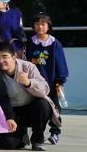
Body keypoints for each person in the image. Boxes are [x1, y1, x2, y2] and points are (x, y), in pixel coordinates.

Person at [0, 42, 52, 150]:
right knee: (8, 144)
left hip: (31, 108)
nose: (0, 61)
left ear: (14, 57)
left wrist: (28, 82)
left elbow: (45, 90)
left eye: (4, 57)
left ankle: (38, 139)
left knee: (43, 104)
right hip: (11, 111)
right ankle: (22, 137)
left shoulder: (27, 66)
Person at [25, 15, 68, 145]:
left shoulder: (55, 43)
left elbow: (61, 63)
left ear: (48, 26)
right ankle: (38, 133)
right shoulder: (30, 42)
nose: (40, 27)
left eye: (43, 24)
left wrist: (60, 81)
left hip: (52, 81)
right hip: (35, 83)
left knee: (55, 108)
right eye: (37, 24)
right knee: (39, 109)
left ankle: (55, 132)